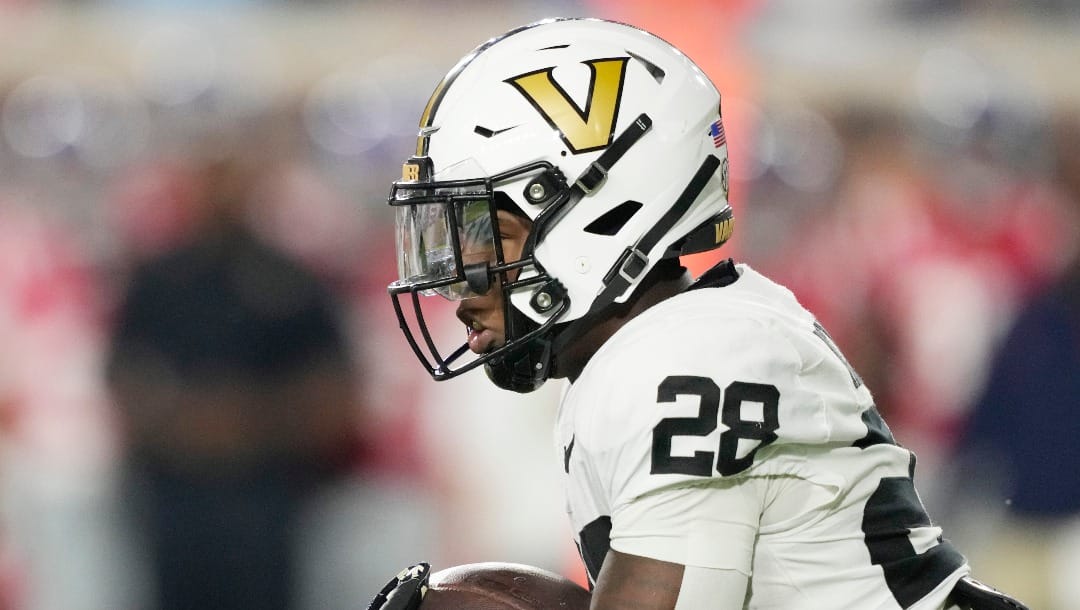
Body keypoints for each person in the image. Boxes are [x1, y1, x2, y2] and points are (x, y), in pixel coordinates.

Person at [375, 18, 1027, 610]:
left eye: (484, 235)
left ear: (597, 213)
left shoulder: (683, 357)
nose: (458, 286)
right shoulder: (660, 345)